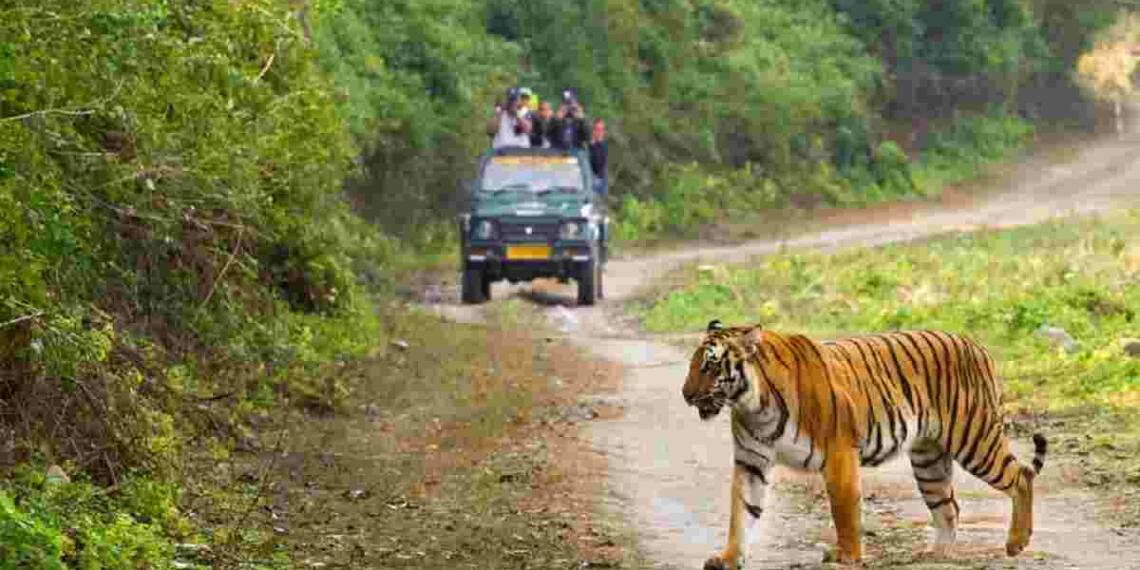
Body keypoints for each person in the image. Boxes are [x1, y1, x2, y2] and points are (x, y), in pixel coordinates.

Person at [588, 118, 608, 195]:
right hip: (591, 181)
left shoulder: (604, 145)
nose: (600, 132)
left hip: (602, 182)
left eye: (602, 130)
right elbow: (594, 163)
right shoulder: (589, 146)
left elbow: (601, 164)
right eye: (597, 129)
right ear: (593, 131)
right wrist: (592, 145)